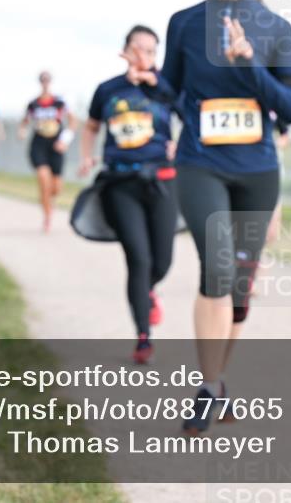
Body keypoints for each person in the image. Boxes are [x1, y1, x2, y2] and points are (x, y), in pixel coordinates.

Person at [160, 0, 291, 434]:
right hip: (201, 163)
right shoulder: (184, 23)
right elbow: (169, 89)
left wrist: (249, 65)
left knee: (239, 287)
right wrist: (147, 86)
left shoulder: (275, 27)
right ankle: (209, 386)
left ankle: (218, 382)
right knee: (216, 267)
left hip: (257, 171)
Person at [78, 25, 178, 364]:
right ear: (125, 50)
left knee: (161, 261)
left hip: (162, 182)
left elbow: (190, 116)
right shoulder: (107, 90)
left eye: (151, 51)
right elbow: (91, 126)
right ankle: (143, 336)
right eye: (138, 49)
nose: (144, 57)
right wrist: (87, 155)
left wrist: (181, 142)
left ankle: (147, 292)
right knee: (139, 258)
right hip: (120, 184)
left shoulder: (166, 87)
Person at [19, 72, 77, 232]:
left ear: (50, 82)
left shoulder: (59, 102)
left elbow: (73, 121)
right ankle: (47, 216)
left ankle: (49, 201)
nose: (45, 83)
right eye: (42, 80)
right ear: (39, 82)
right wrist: (22, 131)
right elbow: (24, 122)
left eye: (47, 80)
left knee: (56, 187)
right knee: (43, 180)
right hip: (39, 144)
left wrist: (65, 140)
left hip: (56, 144)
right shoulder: (33, 104)